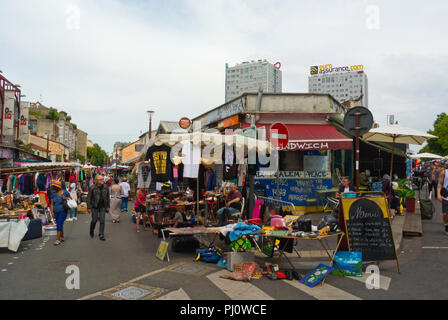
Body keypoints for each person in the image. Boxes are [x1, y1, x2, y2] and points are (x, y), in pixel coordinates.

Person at [87, 175, 110, 241]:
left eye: (103, 179)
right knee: (94, 220)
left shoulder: (105, 187)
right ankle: (92, 230)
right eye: (101, 179)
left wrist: (108, 206)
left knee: (102, 220)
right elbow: (88, 198)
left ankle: (101, 234)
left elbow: (107, 197)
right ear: (96, 181)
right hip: (95, 206)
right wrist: (89, 207)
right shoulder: (92, 188)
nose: (103, 180)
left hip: (103, 206)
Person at [50, 181, 71, 246]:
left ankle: (58, 239)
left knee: (59, 223)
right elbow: (52, 203)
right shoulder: (53, 194)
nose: (54, 188)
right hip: (56, 211)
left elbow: (71, 199)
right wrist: (52, 212)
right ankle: (62, 236)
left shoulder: (65, 192)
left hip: (63, 211)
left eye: (55, 187)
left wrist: (65, 198)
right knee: (60, 223)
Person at [437, 163, 448, 235]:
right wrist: (438, 194)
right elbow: (440, 183)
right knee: (445, 214)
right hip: (446, 196)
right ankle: (446, 225)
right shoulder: (444, 172)